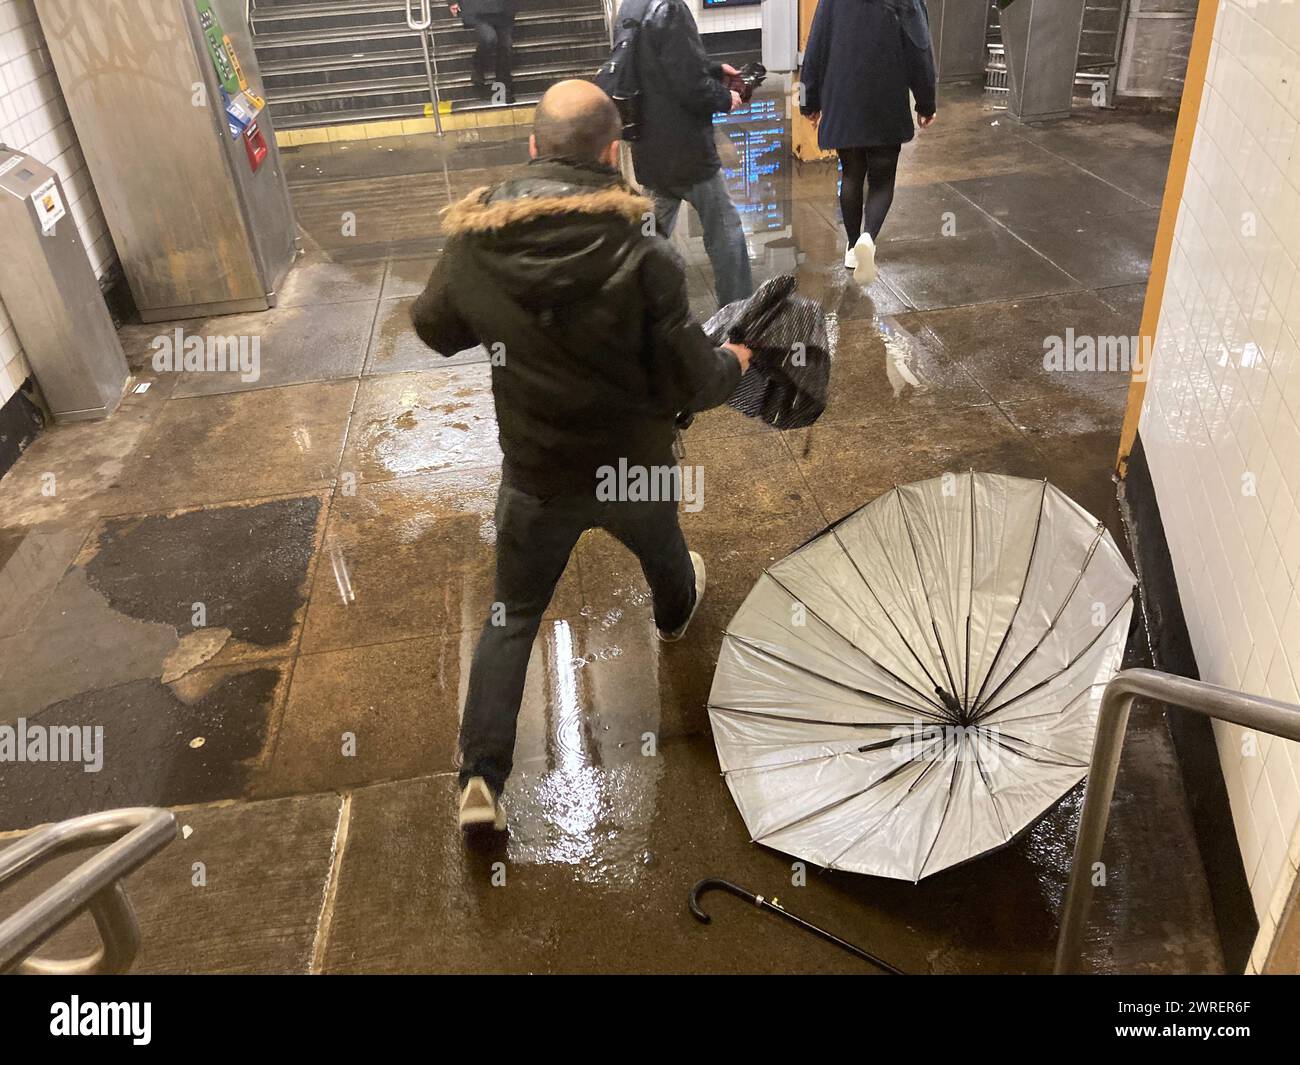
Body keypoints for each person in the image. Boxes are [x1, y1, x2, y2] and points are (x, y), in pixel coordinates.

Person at [411, 80, 752, 832]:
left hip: (538, 475)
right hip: (631, 465)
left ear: (533, 148)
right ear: (612, 151)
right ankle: (674, 617)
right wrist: (737, 358)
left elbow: (434, 328)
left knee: (512, 614)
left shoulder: (478, 240)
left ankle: (480, 781)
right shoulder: (646, 251)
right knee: (664, 549)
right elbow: (692, 377)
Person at [619, 0, 754, 308]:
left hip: (650, 148)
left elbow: (659, 67)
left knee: (650, 236)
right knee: (725, 230)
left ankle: (633, 306)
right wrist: (726, 97)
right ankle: (741, 314)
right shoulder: (671, 9)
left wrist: (714, 70)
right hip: (687, 152)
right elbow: (691, 88)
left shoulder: (633, 7)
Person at [799, 0, 937, 284]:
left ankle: (851, 247)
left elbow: (816, 46)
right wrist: (926, 102)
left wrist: (808, 100)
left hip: (844, 95)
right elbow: (918, 50)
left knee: (850, 173)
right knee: (882, 178)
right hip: (886, 95)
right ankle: (868, 237)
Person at [449, 0, 516, 102]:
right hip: (476, 8)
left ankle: (503, 88)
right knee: (489, 38)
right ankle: (478, 65)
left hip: (504, 6)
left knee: (505, 45)